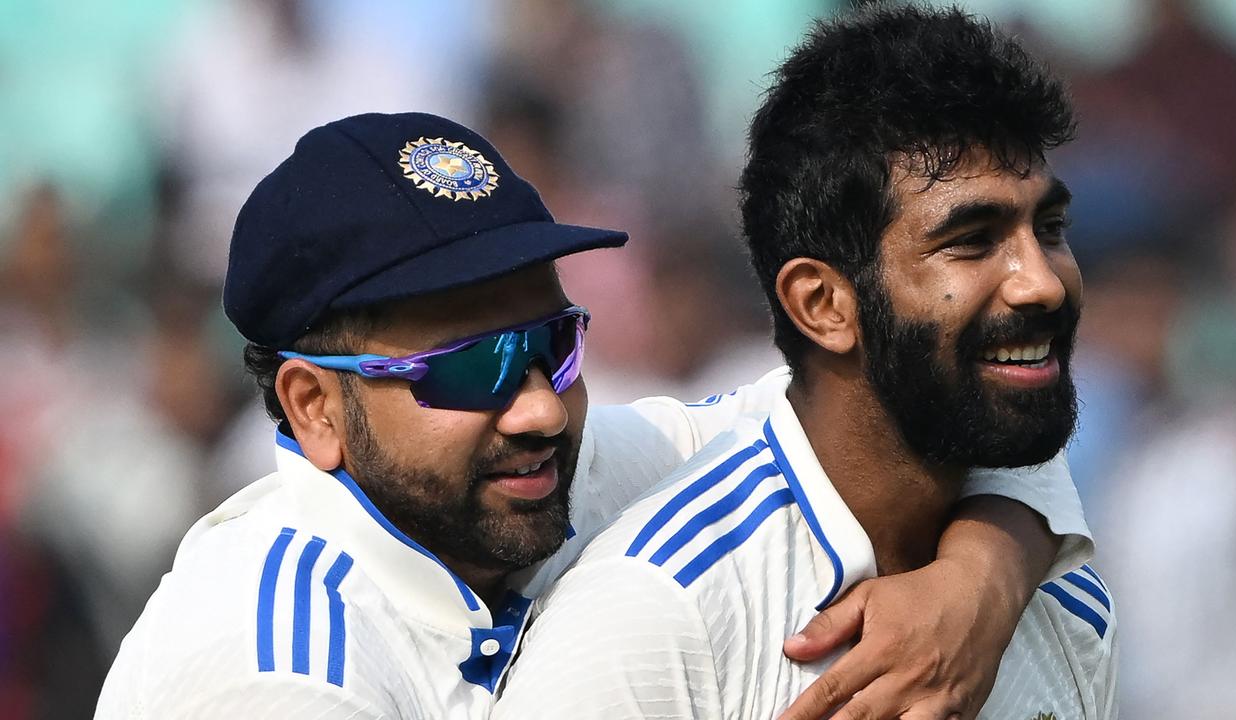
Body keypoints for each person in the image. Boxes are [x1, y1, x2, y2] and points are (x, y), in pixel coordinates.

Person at [95, 111, 1092, 718]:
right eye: (470, 367)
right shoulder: (279, 671)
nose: (536, 408)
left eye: (552, 344)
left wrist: (976, 584)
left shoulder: (590, 462)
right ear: (314, 408)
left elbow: (913, 402)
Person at [494, 6, 1117, 719]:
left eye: (1050, 227)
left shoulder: (1065, 602)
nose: (1040, 280)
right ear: (823, 304)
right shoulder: (659, 616)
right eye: (971, 241)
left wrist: (990, 576)